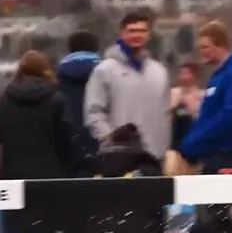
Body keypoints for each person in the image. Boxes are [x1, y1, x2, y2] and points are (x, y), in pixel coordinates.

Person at [0, 51, 77, 233]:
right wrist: (68, 168)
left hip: (14, 173)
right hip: (50, 172)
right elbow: (65, 138)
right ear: (45, 70)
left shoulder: (5, 99)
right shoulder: (56, 99)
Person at [84, 11, 171, 162]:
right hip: (119, 157)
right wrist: (110, 140)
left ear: (149, 35)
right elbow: (94, 112)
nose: (137, 35)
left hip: (155, 156)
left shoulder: (159, 72)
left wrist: (164, 146)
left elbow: (166, 113)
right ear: (122, 33)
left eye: (142, 31)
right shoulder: (104, 70)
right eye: (132, 31)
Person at [177, 21, 232, 174]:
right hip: (212, 157)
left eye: (206, 47)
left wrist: (196, 141)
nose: (202, 52)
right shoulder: (218, 77)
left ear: (221, 45)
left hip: (228, 157)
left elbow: (231, 116)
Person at [57, 30, 101, 161]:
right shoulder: (108, 72)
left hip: (68, 140)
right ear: (95, 48)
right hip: (101, 139)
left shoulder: (59, 75)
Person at [169, 63, 204, 156]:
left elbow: (200, 117)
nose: (182, 76)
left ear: (196, 76)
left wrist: (189, 104)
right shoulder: (173, 93)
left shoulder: (201, 95)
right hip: (174, 137)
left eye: (186, 73)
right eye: (181, 73)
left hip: (193, 135)